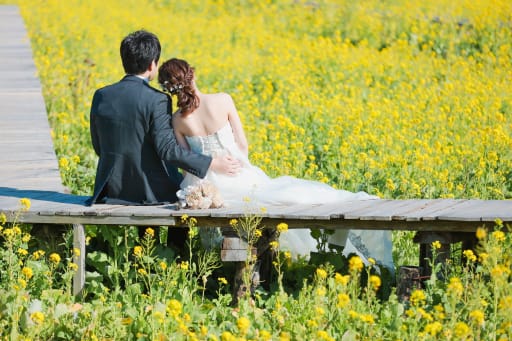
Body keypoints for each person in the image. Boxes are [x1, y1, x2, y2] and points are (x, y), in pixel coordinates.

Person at [157, 58, 394, 273]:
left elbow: (188, 164)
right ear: (193, 75)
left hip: (209, 184)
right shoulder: (223, 100)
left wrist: (212, 169)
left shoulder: (177, 120)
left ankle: (216, 267)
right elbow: (243, 145)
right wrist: (237, 166)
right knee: (286, 194)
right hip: (239, 172)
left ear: (169, 89)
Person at [87, 31, 241, 249]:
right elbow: (168, 149)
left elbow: (98, 145)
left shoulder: (101, 94)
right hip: (149, 193)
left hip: (111, 190)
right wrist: (210, 163)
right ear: (152, 65)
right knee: (183, 190)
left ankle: (143, 255)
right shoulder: (157, 99)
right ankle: (177, 258)